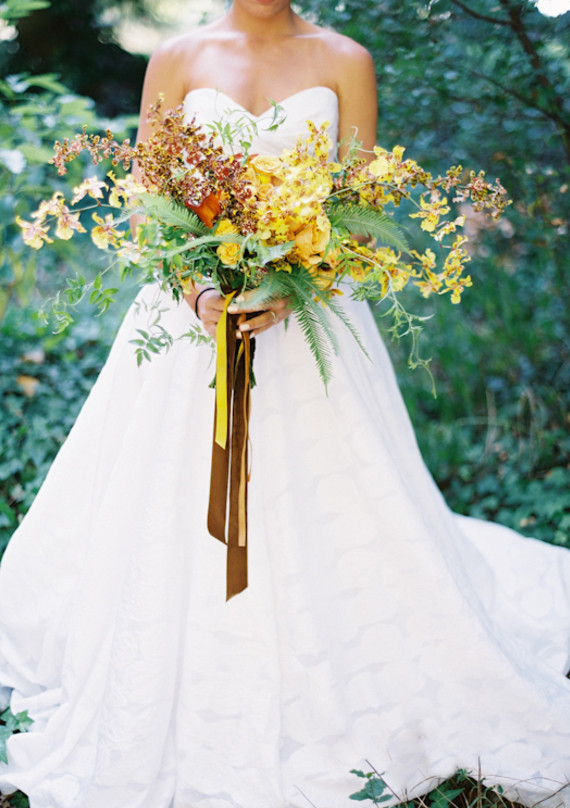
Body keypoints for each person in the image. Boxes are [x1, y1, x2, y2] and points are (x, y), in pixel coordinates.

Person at [1, 2, 569, 807]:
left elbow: (359, 214)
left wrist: (294, 283)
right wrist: (197, 283)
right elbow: (144, 199)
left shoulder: (346, 59)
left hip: (311, 327)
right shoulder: (177, 57)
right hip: (189, 319)